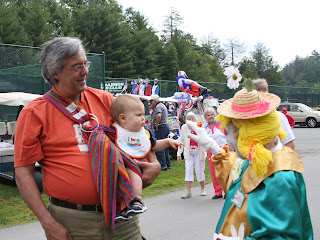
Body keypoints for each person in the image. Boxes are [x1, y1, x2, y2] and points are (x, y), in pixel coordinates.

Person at [14, 37, 161, 240]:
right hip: (73, 222)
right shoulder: (34, 113)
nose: (85, 71)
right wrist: (48, 224)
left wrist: (153, 163)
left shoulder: (106, 101)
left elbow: (136, 132)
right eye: (76, 67)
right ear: (54, 72)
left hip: (122, 213)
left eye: (85, 63)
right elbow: (23, 173)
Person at [187, 87, 313, 239]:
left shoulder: (280, 178)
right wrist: (211, 145)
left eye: (230, 133)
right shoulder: (257, 160)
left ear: (248, 134)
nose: (227, 140)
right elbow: (235, 176)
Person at [110, 94, 183, 220]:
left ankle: (137, 200)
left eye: (143, 114)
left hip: (135, 167)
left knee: (132, 172)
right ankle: (121, 210)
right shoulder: (115, 132)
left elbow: (153, 146)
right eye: (139, 115)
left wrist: (166, 142)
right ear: (122, 118)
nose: (143, 119)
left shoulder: (145, 133)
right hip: (117, 170)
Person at [253, 78, 295, 150]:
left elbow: (289, 145)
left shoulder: (278, 116)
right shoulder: (244, 119)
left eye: (263, 97)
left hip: (274, 158)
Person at [177, 112, 207, 199]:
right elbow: (181, 140)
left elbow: (205, 139)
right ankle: (188, 191)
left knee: (199, 170)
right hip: (188, 152)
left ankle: (203, 188)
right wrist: (179, 153)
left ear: (195, 119)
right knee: (188, 170)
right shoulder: (184, 127)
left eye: (192, 118)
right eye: (188, 119)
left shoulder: (199, 126)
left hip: (199, 152)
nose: (190, 120)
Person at [203, 107, 227, 199]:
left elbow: (228, 136)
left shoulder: (222, 125)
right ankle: (218, 192)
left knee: (224, 171)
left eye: (212, 114)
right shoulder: (205, 128)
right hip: (211, 151)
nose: (210, 116)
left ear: (215, 115)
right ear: (205, 117)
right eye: (208, 115)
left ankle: (227, 190)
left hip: (223, 149)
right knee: (214, 172)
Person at [150, 94, 171, 170]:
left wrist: (156, 125)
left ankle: (162, 165)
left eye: (151, 101)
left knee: (160, 146)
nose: (150, 103)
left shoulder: (158, 107)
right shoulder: (162, 105)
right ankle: (167, 164)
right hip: (165, 127)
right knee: (165, 146)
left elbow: (158, 115)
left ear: (155, 101)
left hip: (161, 127)